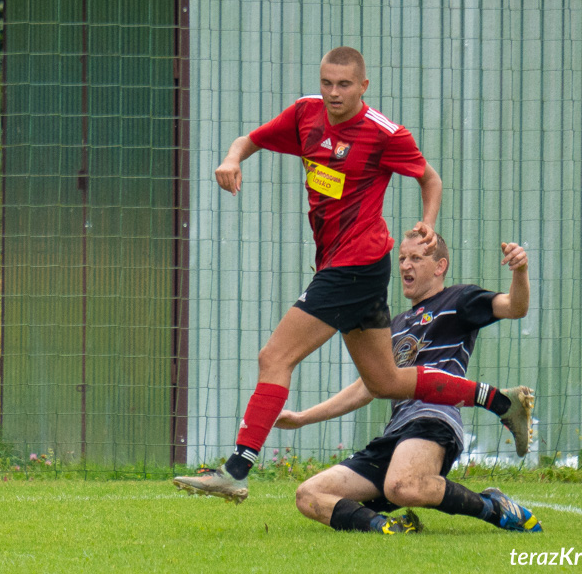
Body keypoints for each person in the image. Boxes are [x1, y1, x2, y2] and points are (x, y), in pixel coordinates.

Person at [173, 46, 534, 504]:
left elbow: (430, 178)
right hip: (341, 265)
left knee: (274, 357)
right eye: (326, 82)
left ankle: (237, 468)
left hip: (356, 264)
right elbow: (251, 139)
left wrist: (429, 222)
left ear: (364, 86)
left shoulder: (384, 133)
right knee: (386, 381)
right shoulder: (307, 114)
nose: (333, 93)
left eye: (344, 85)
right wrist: (232, 159)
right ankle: (501, 402)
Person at [274, 231, 542, 534]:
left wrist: (520, 271)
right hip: (396, 433)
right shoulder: (395, 325)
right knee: (308, 495)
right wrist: (301, 418)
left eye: (416, 258)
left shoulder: (460, 300)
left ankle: (493, 506)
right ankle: (388, 527)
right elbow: (367, 387)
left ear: (440, 266)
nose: (405, 266)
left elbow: (515, 307)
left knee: (402, 486)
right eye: (401, 258)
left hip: (433, 419)